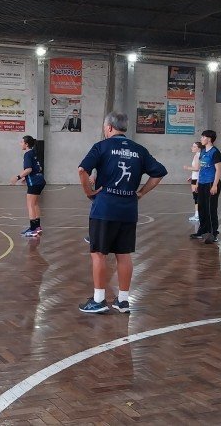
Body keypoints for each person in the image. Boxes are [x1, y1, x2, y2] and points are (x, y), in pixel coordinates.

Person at [78, 112, 167, 314]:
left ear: (109, 127)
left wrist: (89, 192)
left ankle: (99, 300)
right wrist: (141, 193)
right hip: (128, 210)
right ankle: (123, 301)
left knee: (99, 254)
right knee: (124, 255)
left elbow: (82, 170)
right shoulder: (139, 150)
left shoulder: (101, 146)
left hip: (104, 208)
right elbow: (159, 172)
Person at [9, 135, 46, 237]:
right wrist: (26, 177)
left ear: (26, 144)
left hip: (34, 182)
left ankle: (33, 229)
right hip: (40, 180)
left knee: (30, 205)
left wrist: (17, 177)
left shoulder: (27, 154)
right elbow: (39, 167)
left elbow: (28, 169)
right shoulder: (34, 153)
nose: (20, 144)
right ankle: (37, 227)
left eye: (21, 142)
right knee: (35, 204)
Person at [190, 130, 221, 243]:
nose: (201, 139)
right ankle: (202, 231)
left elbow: (218, 170)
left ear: (209, 139)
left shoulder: (215, 152)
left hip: (211, 183)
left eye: (203, 137)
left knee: (210, 209)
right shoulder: (202, 151)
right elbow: (201, 169)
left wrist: (214, 185)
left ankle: (213, 233)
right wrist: (197, 183)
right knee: (201, 208)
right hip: (202, 183)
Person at [183, 142, 203, 221]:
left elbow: (197, 168)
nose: (192, 147)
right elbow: (200, 169)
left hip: (197, 180)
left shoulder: (197, 156)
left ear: (198, 148)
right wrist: (192, 176)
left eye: (194, 146)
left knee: (196, 197)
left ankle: (197, 215)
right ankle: (198, 214)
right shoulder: (199, 155)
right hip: (196, 178)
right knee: (197, 197)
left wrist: (187, 167)